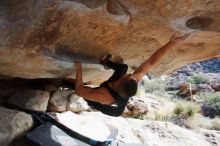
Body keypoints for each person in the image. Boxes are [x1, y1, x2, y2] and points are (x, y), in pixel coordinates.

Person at [72, 33, 190, 116]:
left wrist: (79, 69)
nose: (130, 75)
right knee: (123, 67)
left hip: (112, 109)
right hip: (115, 90)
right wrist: (171, 43)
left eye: (127, 77)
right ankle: (105, 62)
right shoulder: (132, 80)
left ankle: (63, 83)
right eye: (131, 77)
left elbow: (79, 90)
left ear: (119, 83)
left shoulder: (103, 96)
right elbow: (151, 62)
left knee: (80, 89)